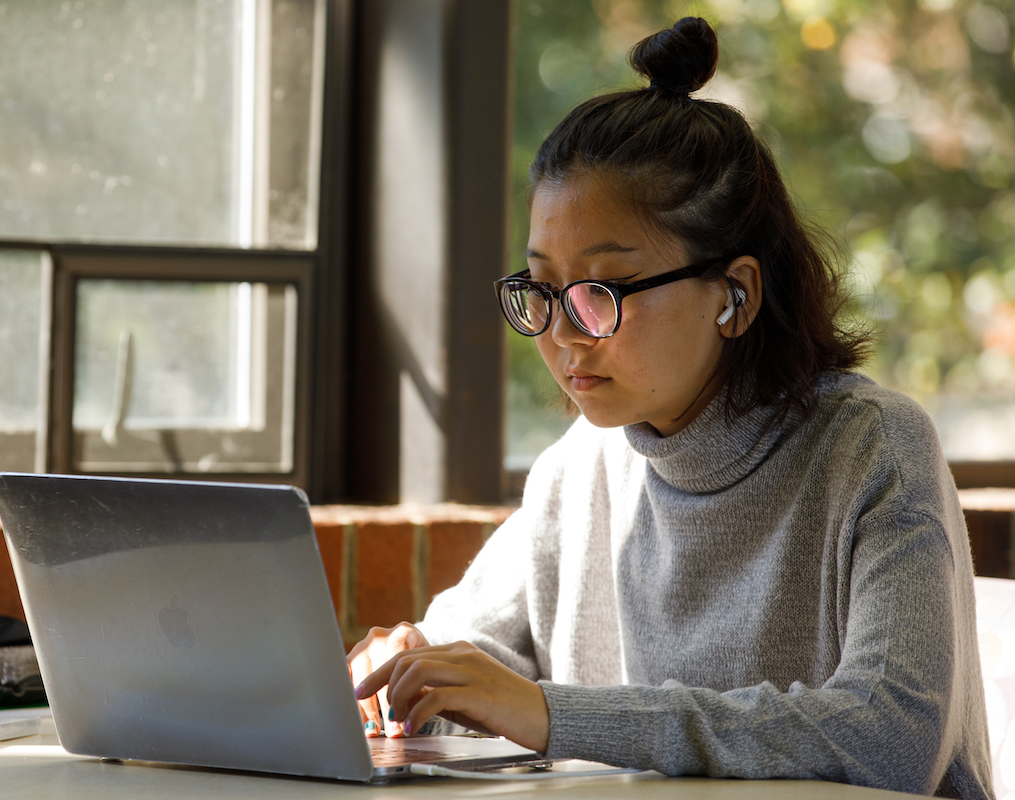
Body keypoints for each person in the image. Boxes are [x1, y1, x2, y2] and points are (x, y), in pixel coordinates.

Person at [348, 16, 993, 799]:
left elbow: (890, 737)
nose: (561, 333)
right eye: (542, 289)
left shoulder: (873, 449)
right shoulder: (578, 470)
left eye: (600, 293)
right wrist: (403, 681)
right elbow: (474, 674)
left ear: (736, 295)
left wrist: (554, 714)